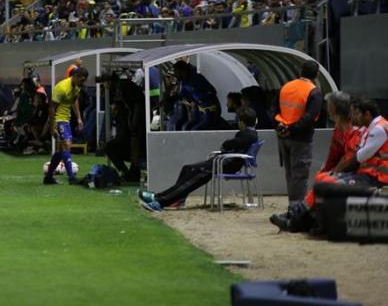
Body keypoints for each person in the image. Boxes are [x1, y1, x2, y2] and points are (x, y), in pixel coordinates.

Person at [270, 98, 386, 233]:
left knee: (327, 182)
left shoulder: (374, 129)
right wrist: (330, 170)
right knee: (323, 178)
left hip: (375, 176)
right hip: (367, 172)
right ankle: (306, 221)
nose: (354, 117)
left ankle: (299, 219)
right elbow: (340, 155)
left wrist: (335, 172)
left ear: (366, 114)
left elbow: (358, 157)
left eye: (356, 113)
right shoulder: (367, 128)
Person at [137, 107, 259, 211]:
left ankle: (160, 201)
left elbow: (228, 144)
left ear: (242, 122)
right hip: (220, 162)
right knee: (188, 169)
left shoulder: (249, 135)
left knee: (193, 178)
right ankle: (176, 198)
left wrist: (226, 145)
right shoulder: (248, 134)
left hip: (224, 165)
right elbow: (230, 145)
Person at [275, 60, 323, 208]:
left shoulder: (286, 87)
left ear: (300, 71)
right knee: (300, 174)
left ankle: (292, 204)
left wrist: (281, 126)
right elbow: (310, 117)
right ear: (316, 74)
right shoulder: (314, 91)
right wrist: (293, 128)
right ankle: (297, 208)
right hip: (301, 138)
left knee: (290, 173)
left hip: (283, 136)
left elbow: (273, 109)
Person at [44, 67, 89, 185]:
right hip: (59, 120)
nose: (83, 83)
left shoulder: (77, 87)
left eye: (84, 81)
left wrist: (79, 118)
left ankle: (48, 177)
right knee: (67, 145)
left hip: (66, 119)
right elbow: (52, 107)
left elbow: (74, 101)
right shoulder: (62, 87)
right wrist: (52, 126)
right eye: (82, 80)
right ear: (75, 77)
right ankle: (71, 177)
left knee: (61, 150)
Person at [173, 61, 223, 130]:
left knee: (196, 130)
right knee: (186, 127)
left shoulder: (196, 78)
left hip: (210, 109)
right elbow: (183, 96)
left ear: (183, 70)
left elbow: (212, 91)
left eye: (176, 71)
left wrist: (201, 100)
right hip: (199, 110)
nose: (175, 74)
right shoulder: (183, 82)